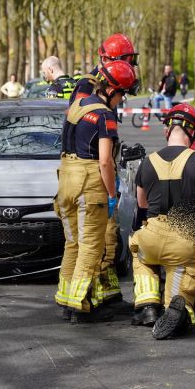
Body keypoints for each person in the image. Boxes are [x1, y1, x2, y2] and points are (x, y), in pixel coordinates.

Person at [130, 103, 195, 339]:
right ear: (193, 133)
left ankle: (147, 305)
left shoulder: (147, 162)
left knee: (140, 256)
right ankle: (178, 308)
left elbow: (141, 204)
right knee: (183, 274)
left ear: (167, 130)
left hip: (151, 236)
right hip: (185, 239)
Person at [54, 60, 137, 323]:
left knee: (72, 244)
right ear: (112, 90)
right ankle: (80, 305)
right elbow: (104, 161)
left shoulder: (77, 105)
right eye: (122, 94)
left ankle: (66, 300)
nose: (122, 100)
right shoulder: (104, 115)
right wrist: (112, 194)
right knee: (91, 246)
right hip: (89, 186)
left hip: (66, 181)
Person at [67, 33, 140, 302]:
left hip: (97, 166)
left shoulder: (104, 86)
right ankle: (89, 297)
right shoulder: (90, 87)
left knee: (105, 237)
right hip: (93, 169)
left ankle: (106, 293)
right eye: (127, 60)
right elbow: (89, 131)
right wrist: (108, 185)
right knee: (100, 237)